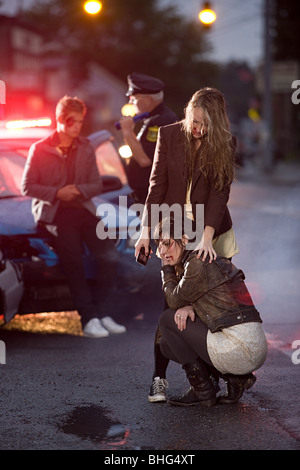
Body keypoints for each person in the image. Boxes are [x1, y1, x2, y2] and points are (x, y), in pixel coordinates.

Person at [134, 87, 240, 402]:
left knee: (215, 308)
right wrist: (145, 231)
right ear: (188, 112)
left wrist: (206, 237)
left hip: (212, 231)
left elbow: (220, 194)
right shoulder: (168, 136)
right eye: (195, 122)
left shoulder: (225, 141)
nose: (199, 130)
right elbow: (156, 185)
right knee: (173, 305)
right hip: (175, 228)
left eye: (206, 125)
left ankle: (226, 376)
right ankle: (159, 379)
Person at [21, 95, 126, 338]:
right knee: (74, 263)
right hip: (55, 212)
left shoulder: (86, 147)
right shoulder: (40, 149)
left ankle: (102, 313)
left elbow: (96, 184)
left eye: (80, 121)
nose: (77, 126)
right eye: (72, 121)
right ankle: (88, 319)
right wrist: (58, 192)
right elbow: (28, 186)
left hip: (83, 209)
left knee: (110, 256)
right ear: (59, 120)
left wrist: (77, 191)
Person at [154, 217, 268, 406]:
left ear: (184, 239)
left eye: (167, 244)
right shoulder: (205, 258)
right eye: (159, 246)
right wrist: (189, 305)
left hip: (240, 347)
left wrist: (166, 269)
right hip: (252, 346)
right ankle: (235, 379)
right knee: (167, 345)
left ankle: (203, 390)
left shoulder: (197, 262)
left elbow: (173, 300)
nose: (163, 251)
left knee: (167, 319)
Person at [119, 72, 177, 203]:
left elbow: (144, 159)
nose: (131, 102)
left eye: (134, 99)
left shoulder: (161, 121)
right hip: (147, 195)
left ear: (148, 100)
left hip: (153, 197)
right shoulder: (153, 119)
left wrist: (127, 132)